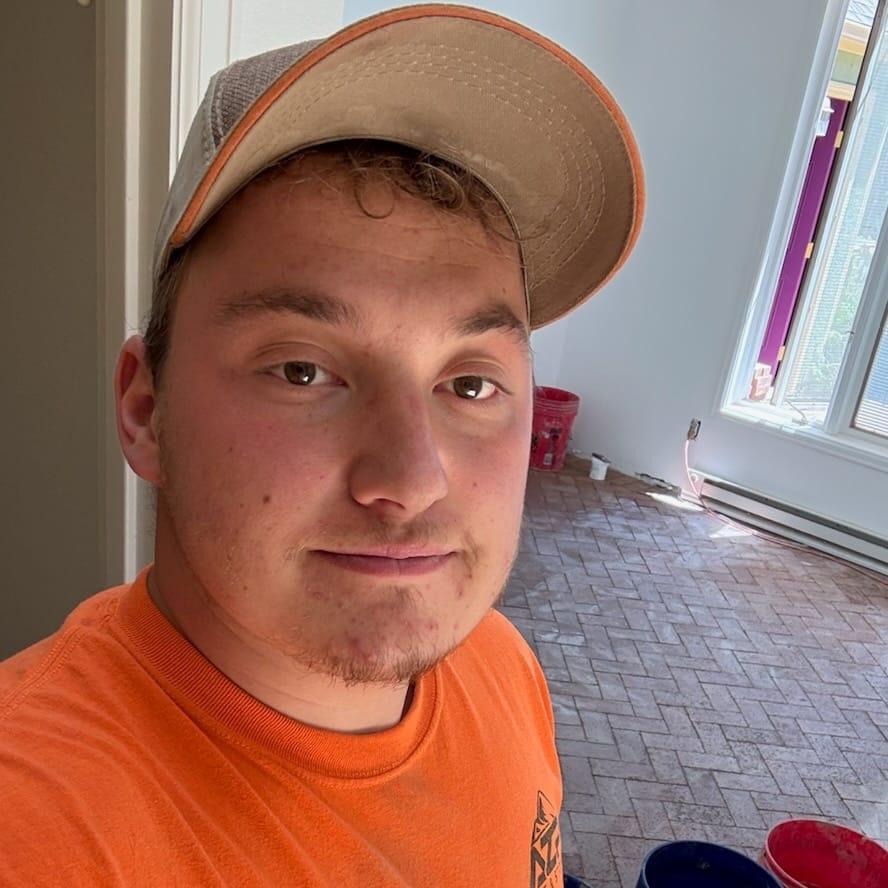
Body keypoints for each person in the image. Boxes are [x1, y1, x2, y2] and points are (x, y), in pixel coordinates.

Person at [0, 5, 643, 886]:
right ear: (146, 409)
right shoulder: (38, 829)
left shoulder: (501, 666)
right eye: (303, 371)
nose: (412, 479)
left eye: (469, 384)